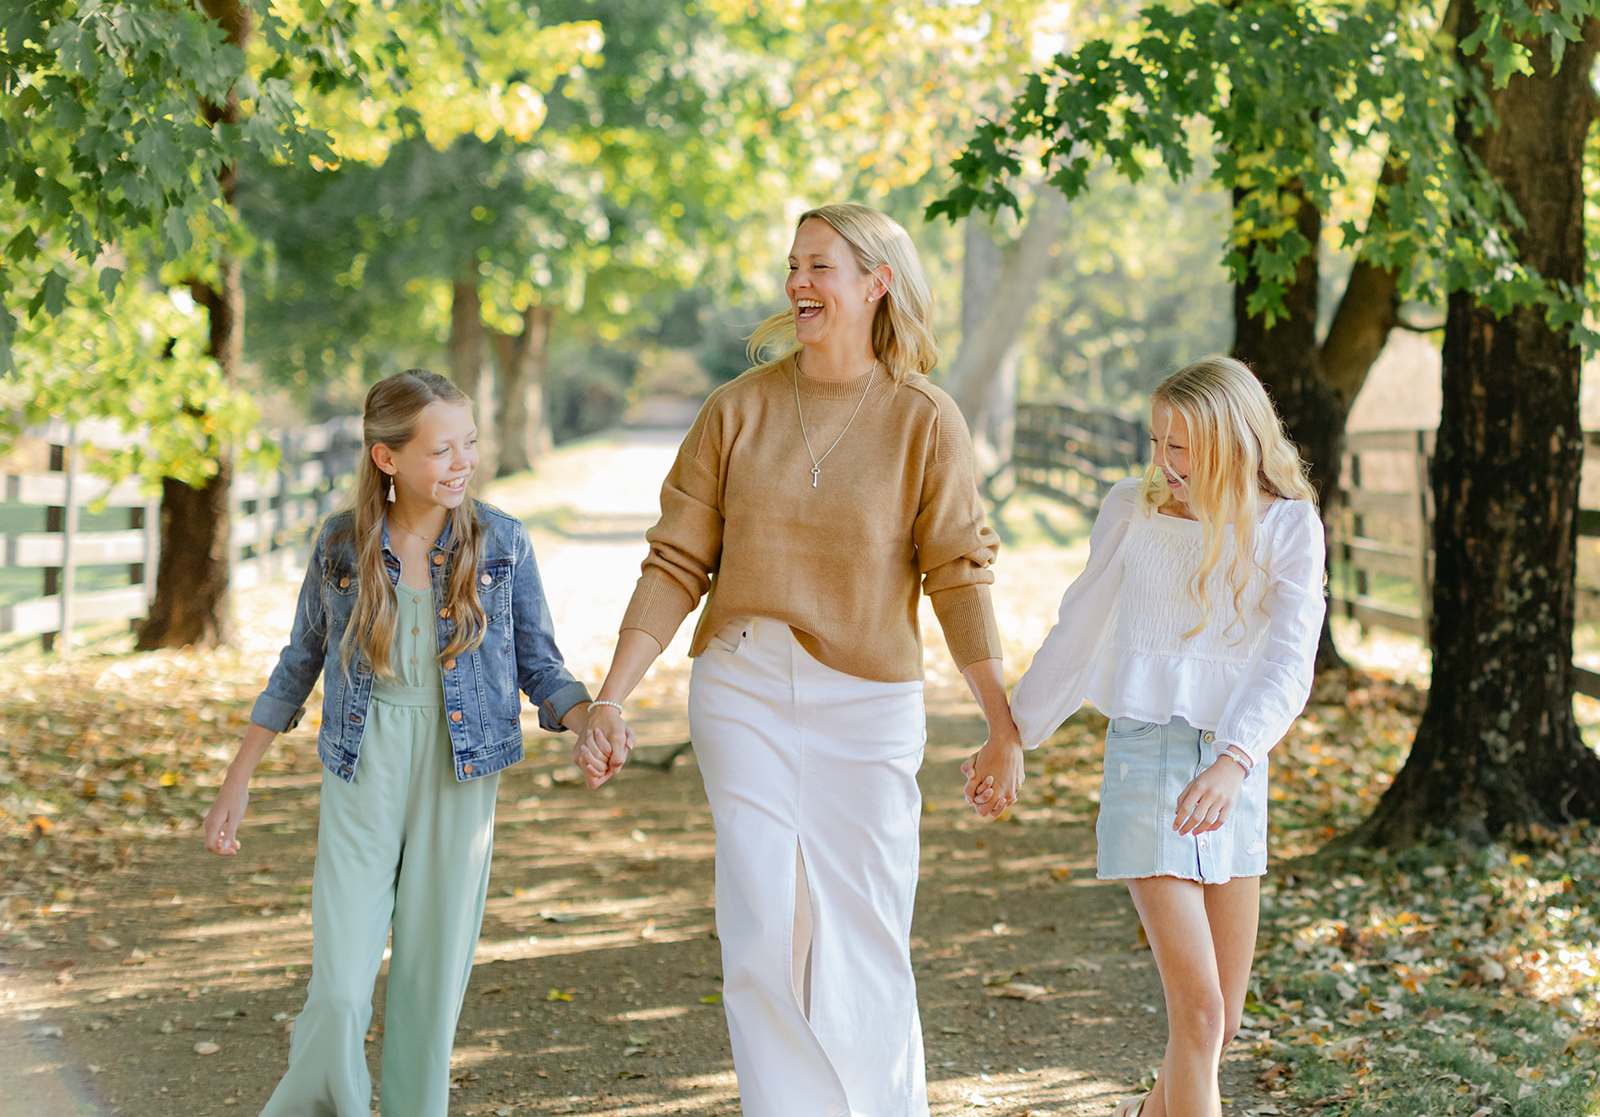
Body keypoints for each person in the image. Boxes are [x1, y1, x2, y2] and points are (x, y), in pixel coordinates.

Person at [572, 203, 1023, 1117]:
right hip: (742, 684)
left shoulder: (923, 420)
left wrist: (1001, 722)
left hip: (868, 700)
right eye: (793, 266)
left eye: (821, 266)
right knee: (764, 926)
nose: (799, 284)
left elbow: (959, 575)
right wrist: (610, 698)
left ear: (876, 282)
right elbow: (675, 562)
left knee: (863, 929)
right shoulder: (736, 410)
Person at [201, 369, 600, 1117]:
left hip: (463, 768)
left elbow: (539, 663)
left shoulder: (502, 542)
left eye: (469, 443)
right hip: (364, 761)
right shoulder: (343, 545)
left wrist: (586, 723)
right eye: (441, 449)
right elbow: (299, 662)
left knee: (429, 982)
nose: (462, 462)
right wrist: (239, 777)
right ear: (388, 458)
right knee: (343, 984)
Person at [1006, 355, 1324, 1117]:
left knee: (1223, 1025)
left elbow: (1288, 658)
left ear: (1230, 443)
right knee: (1201, 1011)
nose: (1161, 462)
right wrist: (1013, 733)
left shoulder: (1287, 525)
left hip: (1233, 775)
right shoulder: (1131, 510)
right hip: (1147, 760)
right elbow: (1077, 630)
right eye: (1157, 442)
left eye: (1179, 447)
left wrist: (1238, 760)